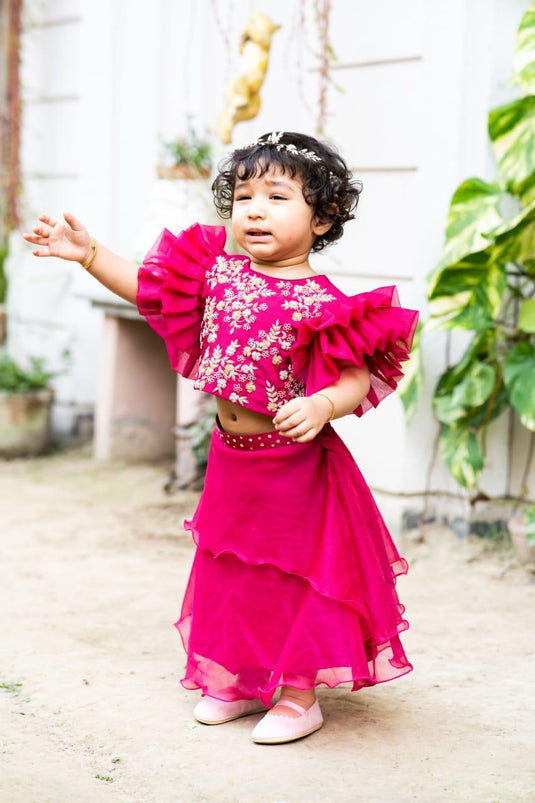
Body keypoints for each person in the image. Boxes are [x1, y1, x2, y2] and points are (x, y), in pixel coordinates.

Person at [23, 131, 418, 745]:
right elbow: (147, 288)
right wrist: (89, 252)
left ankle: (297, 694)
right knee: (230, 570)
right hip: (233, 462)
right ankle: (235, 679)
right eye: (243, 196)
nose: (254, 210)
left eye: (277, 197)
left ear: (324, 218)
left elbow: (354, 376)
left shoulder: (324, 301)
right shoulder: (220, 277)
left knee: (293, 575)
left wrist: (320, 403)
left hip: (295, 471)